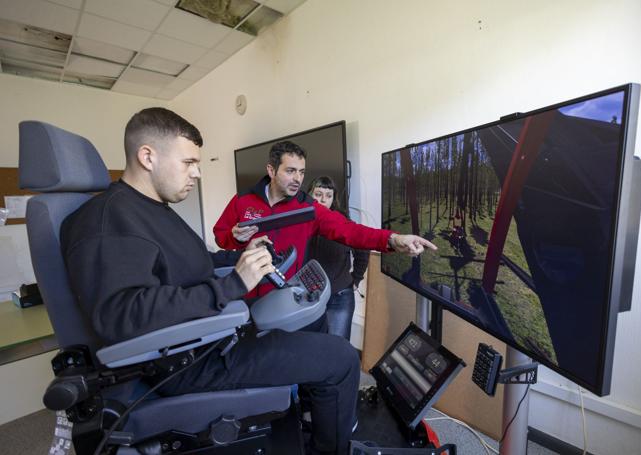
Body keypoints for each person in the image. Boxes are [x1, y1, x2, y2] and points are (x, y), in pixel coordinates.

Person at [60, 108, 362, 455]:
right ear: (147, 156)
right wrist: (233, 284)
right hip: (190, 360)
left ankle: (315, 413)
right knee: (341, 358)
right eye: (189, 162)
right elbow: (122, 315)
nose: (198, 173)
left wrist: (241, 258)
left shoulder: (149, 208)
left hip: (208, 333)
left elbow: (189, 267)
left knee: (313, 322)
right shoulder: (107, 221)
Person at [213, 140, 436, 302]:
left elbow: (351, 231)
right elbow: (221, 236)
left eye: (301, 172)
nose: (298, 179)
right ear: (271, 170)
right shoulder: (242, 201)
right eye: (290, 171)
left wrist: (394, 239)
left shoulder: (309, 208)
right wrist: (234, 237)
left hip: (284, 297)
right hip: (245, 292)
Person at [306, 176, 369, 340]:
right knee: (310, 344)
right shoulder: (300, 222)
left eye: (328, 195)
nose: (323, 200)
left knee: (337, 346)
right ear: (309, 195)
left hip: (339, 296)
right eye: (318, 194)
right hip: (309, 296)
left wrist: (356, 278)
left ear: (333, 199)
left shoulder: (343, 222)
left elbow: (363, 249)